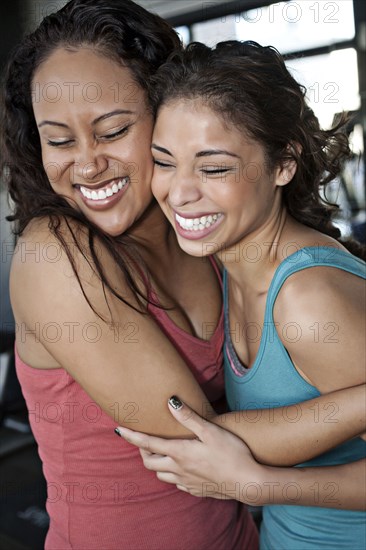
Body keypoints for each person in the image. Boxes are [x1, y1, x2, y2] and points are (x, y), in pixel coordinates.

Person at [2, 1, 364, 546]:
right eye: (59, 140)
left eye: (114, 129)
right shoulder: (57, 253)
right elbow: (192, 436)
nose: (87, 163)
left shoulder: (206, 241)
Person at [112, 41, 366, 550]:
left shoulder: (308, 299)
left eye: (214, 168)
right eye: (164, 161)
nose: (180, 193)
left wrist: (255, 484)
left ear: (283, 164)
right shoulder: (221, 261)